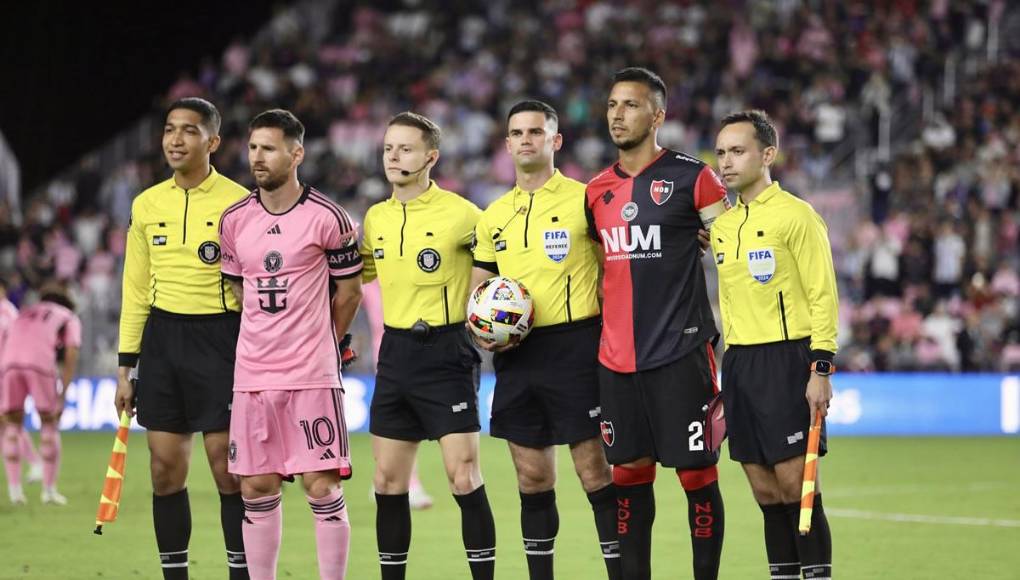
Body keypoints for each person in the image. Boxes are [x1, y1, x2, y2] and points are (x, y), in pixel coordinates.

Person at [584, 67, 729, 580]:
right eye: (612, 105)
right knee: (629, 477)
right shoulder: (595, 190)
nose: (618, 115)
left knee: (697, 476)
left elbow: (730, 249)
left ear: (658, 115)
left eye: (631, 105)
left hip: (680, 355)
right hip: (617, 361)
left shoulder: (696, 178)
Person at [470, 100, 620, 580]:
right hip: (518, 353)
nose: (526, 140)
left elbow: (617, 267)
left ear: (555, 141)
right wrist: (483, 330)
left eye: (536, 131)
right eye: (517, 133)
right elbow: (480, 288)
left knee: (594, 472)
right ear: (508, 143)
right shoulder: (493, 216)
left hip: (579, 347)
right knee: (531, 478)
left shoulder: (585, 199)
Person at [219, 109, 363, 580]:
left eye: (269, 148)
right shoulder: (234, 220)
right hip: (253, 375)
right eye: (253, 147)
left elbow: (350, 292)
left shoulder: (329, 217)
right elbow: (239, 290)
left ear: (296, 153)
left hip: (311, 374)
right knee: (256, 488)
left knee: (320, 487)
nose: (257, 157)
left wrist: (326, 340)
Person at [114, 97, 250, 579]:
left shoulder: (240, 203)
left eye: (189, 131)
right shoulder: (147, 204)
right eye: (170, 129)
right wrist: (126, 367)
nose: (175, 139)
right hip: (164, 342)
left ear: (212, 142)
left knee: (228, 469)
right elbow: (134, 289)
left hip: (222, 339)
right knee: (164, 471)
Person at [360, 112, 496, 580]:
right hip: (395, 355)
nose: (394, 156)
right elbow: (355, 277)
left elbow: (498, 263)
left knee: (463, 477)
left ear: (431, 156)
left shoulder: (462, 214)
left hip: (447, 352)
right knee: (386, 481)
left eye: (406, 149)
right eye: (388, 148)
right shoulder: (375, 218)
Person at [712, 110, 836, 580]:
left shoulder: (798, 217)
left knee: (796, 488)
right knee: (764, 491)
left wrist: (820, 369)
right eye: (721, 152)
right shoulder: (723, 225)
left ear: (768, 155)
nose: (726, 161)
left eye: (737, 151)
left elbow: (824, 294)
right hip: (740, 363)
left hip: (789, 358)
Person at [1, 283, 80, 505]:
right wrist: (63, 393)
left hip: (9, 364)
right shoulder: (68, 316)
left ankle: (15, 491)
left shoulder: (25, 311)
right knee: (49, 423)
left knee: (12, 425)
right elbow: (72, 351)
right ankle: (48, 491)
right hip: (39, 364)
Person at [0, 277, 44, 490]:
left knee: (9, 421)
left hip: (5, 373)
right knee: (6, 424)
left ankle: (35, 463)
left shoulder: (8, 313)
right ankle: (25, 472)